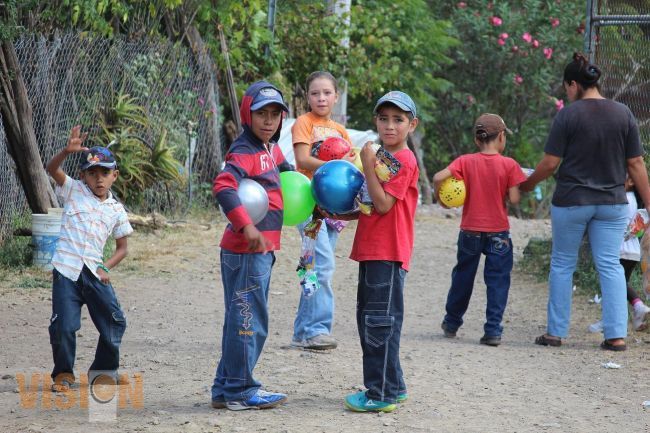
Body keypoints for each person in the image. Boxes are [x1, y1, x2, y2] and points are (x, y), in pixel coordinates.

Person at [521, 52, 650, 351]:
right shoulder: (623, 113)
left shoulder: (568, 115)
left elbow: (551, 163)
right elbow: (636, 164)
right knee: (610, 265)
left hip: (572, 201)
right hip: (612, 203)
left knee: (563, 263)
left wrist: (528, 184)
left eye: (566, 87)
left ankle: (555, 333)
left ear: (574, 84)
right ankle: (616, 336)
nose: (567, 93)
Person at [210, 81, 293, 411]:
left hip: (260, 251)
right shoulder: (245, 150)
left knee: (239, 319)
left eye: (275, 114)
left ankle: (224, 388)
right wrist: (247, 226)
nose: (269, 120)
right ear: (248, 114)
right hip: (245, 251)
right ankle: (241, 391)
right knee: (249, 321)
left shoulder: (270, 149)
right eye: (261, 114)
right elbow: (224, 187)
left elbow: (290, 177)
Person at [342, 91, 420, 413]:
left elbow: (385, 204)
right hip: (374, 251)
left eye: (398, 120)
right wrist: (331, 212)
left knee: (378, 323)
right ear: (376, 121)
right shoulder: (382, 160)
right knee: (374, 320)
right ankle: (394, 386)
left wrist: (369, 164)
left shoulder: (402, 160)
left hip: (387, 254)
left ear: (411, 125)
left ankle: (380, 393)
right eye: (384, 119)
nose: (390, 126)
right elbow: (369, 206)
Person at [45, 126, 133, 392]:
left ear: (114, 176)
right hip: (67, 272)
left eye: (105, 173)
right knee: (63, 326)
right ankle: (63, 375)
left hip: (94, 274)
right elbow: (52, 169)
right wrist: (65, 151)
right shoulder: (73, 190)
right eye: (92, 173)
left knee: (115, 321)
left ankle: (103, 371)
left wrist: (106, 266)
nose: (99, 179)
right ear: (82, 175)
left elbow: (122, 247)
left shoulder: (116, 210)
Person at [433, 114, 527, 347]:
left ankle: (452, 323)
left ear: (477, 140)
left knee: (463, 277)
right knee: (497, 281)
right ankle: (493, 330)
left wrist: (442, 200)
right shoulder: (509, 164)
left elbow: (437, 177)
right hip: (499, 233)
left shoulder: (465, 161)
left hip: (470, 231)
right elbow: (515, 199)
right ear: (502, 137)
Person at [290, 71, 355, 351]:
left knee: (311, 266)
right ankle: (317, 330)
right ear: (308, 97)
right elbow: (303, 159)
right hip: (309, 206)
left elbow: (349, 165)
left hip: (332, 210)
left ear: (336, 97)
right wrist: (333, 164)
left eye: (327, 93)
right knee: (323, 265)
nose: (321, 98)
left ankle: (302, 331)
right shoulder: (303, 124)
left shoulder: (340, 131)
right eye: (315, 93)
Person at [588, 176, 650, 333]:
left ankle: (629, 309)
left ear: (630, 182)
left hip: (620, 249)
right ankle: (633, 316)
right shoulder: (633, 199)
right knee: (621, 285)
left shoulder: (623, 199)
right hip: (633, 251)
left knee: (613, 286)